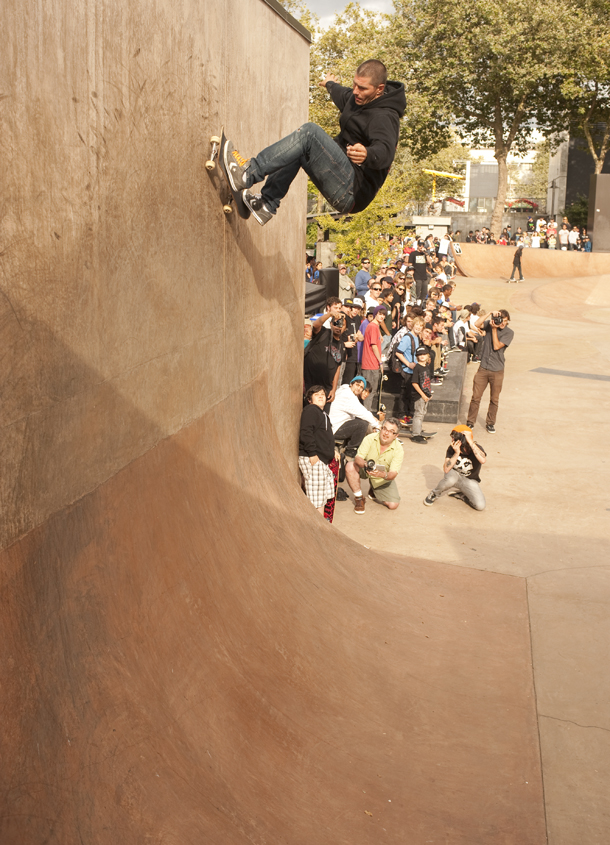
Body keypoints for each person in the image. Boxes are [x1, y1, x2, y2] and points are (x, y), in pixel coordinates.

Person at [223, 60, 406, 225]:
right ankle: (266, 204)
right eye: (355, 84)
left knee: (309, 133)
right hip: (343, 175)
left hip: (352, 190)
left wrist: (367, 154)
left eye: (362, 88)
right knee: (301, 148)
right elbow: (342, 94)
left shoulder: (385, 116)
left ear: (380, 89)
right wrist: (329, 84)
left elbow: (385, 151)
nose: (356, 92)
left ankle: (247, 174)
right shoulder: (357, 98)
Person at [466, 309, 514, 434]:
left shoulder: (509, 333)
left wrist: (493, 329)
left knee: (494, 399)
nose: (502, 324)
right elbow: (476, 324)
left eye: (505, 321)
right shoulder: (489, 324)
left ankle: (490, 423)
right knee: (476, 397)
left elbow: (497, 346)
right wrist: (489, 314)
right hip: (483, 368)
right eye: (500, 320)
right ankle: (470, 422)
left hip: (497, 370)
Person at [345, 418, 404, 512]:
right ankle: (359, 498)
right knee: (350, 466)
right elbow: (358, 458)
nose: (386, 433)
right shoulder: (370, 438)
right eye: (385, 429)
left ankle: (374, 490)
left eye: (391, 431)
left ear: (396, 436)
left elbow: (393, 474)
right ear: (381, 429)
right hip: (365, 467)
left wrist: (381, 474)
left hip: (382, 475)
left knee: (393, 505)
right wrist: (366, 464)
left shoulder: (398, 449)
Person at [423, 425, 487, 510]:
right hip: (454, 475)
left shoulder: (476, 448)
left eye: (454, 438)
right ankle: (435, 493)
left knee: (480, 506)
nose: (452, 440)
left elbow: (483, 460)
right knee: (450, 480)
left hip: (469, 480)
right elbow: (446, 469)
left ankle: (463, 494)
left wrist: (471, 442)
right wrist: (456, 453)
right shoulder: (452, 448)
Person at [298, 385, 336, 518]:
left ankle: (320, 528)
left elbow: (325, 437)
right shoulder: (311, 410)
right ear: (309, 399)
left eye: (323, 394)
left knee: (323, 496)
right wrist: (312, 453)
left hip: (321, 461)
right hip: (313, 458)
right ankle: (316, 531)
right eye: (316, 394)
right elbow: (306, 432)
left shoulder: (323, 414)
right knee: (316, 501)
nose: (320, 396)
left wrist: (334, 450)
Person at [303, 298, 345, 404]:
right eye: (335, 323)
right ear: (331, 324)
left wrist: (334, 389)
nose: (338, 327)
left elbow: (337, 369)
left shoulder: (342, 346)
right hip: (310, 384)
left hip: (326, 389)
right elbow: (316, 324)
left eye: (341, 324)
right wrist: (330, 314)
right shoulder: (323, 333)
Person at [329, 376, 380, 456]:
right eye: (357, 385)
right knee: (362, 424)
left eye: (361, 387)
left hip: (337, 425)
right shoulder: (347, 395)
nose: (359, 388)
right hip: (335, 429)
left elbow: (361, 411)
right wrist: (377, 425)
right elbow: (362, 412)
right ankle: (351, 450)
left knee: (362, 422)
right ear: (351, 384)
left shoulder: (345, 390)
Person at [361, 305, 387, 409]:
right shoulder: (372, 327)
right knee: (369, 393)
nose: (381, 316)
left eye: (383, 315)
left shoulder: (375, 327)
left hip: (372, 364)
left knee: (370, 393)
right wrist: (380, 362)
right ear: (375, 314)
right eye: (380, 314)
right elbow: (374, 346)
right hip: (371, 364)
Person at [409, 346, 435, 444]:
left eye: (424, 354)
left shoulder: (426, 367)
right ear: (417, 357)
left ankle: (418, 429)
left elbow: (426, 382)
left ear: (428, 356)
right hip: (419, 396)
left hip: (425, 395)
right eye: (420, 355)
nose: (422, 356)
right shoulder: (417, 368)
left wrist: (428, 393)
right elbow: (414, 383)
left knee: (422, 413)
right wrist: (422, 395)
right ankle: (416, 434)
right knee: (418, 414)